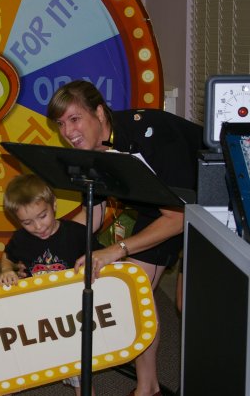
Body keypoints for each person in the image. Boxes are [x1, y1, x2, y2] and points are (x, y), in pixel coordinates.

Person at [47, 80, 202, 396]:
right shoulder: (92, 150)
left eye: (74, 119)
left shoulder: (151, 135)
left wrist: (116, 250)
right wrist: (47, 243)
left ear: (99, 113)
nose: (67, 132)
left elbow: (178, 218)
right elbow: (94, 213)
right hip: (161, 206)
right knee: (133, 291)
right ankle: (149, 388)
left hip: (210, 201)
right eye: (61, 124)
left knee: (190, 302)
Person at [0, 173, 96, 396]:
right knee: (15, 360)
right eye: (27, 222)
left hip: (72, 315)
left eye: (42, 216)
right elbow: (7, 256)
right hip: (35, 312)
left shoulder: (76, 233)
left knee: (80, 367)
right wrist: (7, 270)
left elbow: (99, 255)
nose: (37, 226)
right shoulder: (20, 238)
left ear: (54, 205)